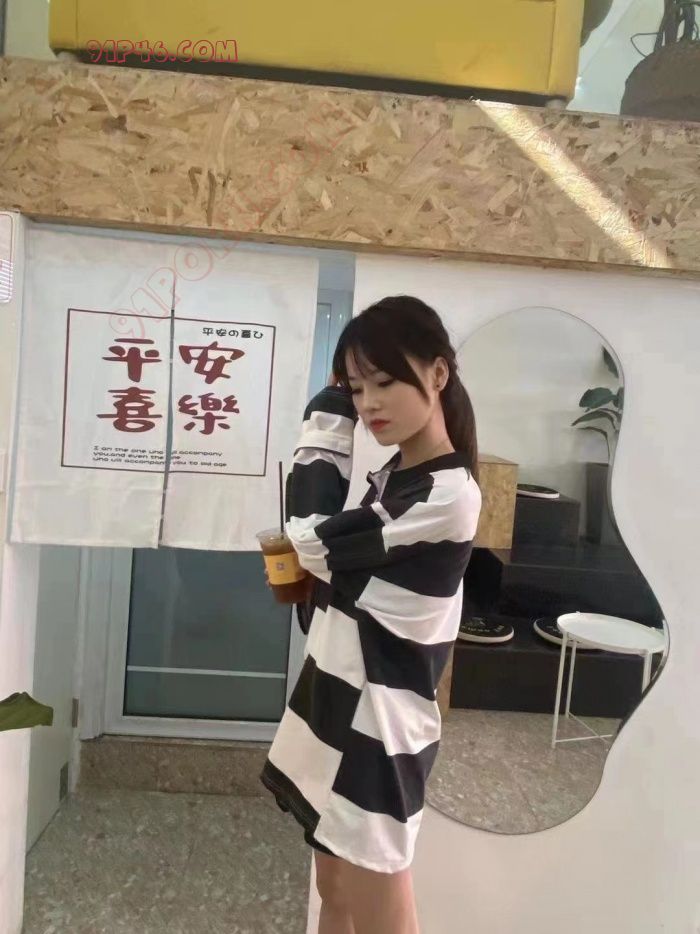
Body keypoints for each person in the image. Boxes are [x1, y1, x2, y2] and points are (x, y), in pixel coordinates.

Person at [261, 295, 482, 933]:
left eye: (384, 382)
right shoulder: (395, 476)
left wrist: (327, 409)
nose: (368, 404)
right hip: (336, 698)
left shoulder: (446, 492)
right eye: (356, 389)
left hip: (378, 728)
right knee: (333, 890)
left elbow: (308, 536)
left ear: (437, 374)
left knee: (381, 915)